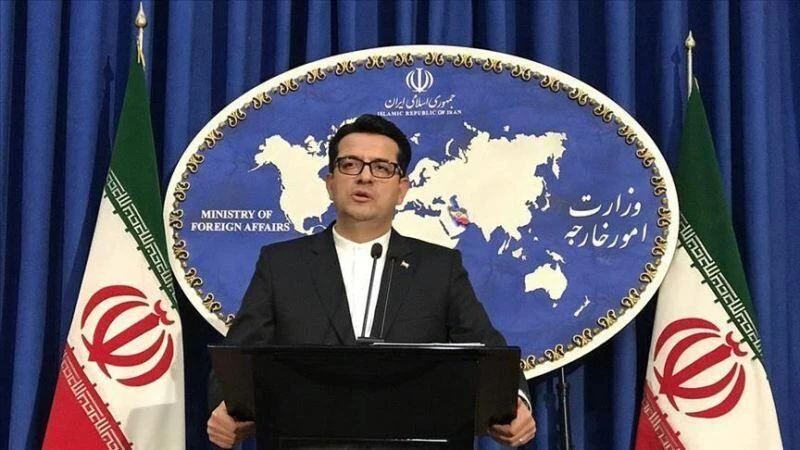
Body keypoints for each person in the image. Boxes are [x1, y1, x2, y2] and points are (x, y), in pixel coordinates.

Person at [206, 114, 537, 448]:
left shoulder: (439, 268)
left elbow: (489, 350)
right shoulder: (281, 264)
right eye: (350, 164)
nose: (364, 176)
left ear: (402, 189)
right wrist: (226, 409)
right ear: (330, 182)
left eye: (381, 167)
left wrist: (515, 402)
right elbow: (238, 355)